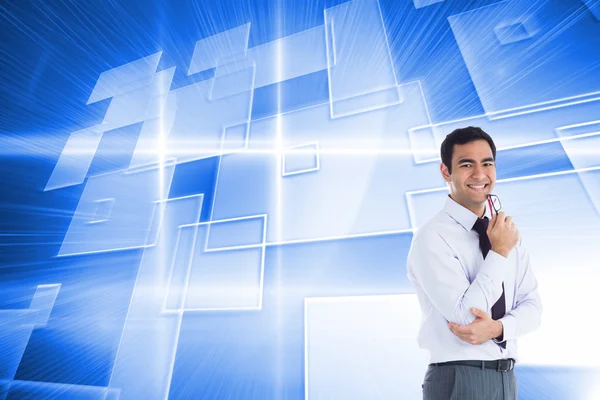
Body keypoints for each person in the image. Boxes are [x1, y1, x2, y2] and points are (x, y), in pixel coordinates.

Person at [406, 126, 542, 400]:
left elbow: (533, 307)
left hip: (506, 377)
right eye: (467, 164)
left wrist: (500, 328)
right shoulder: (433, 237)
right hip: (459, 377)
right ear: (446, 172)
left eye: (487, 163)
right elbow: (466, 317)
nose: (480, 174)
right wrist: (499, 252)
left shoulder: (505, 232)